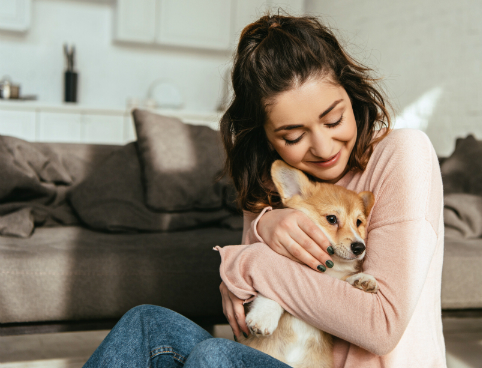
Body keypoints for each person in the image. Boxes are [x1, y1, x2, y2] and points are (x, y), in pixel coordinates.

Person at [83, 13, 446, 368]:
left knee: (214, 355)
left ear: (351, 94)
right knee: (145, 324)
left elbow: (379, 326)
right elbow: (250, 326)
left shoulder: (403, 154)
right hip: (281, 353)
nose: (322, 146)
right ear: (267, 138)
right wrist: (262, 227)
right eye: (293, 136)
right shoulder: (274, 185)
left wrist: (249, 259)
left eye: (333, 119)